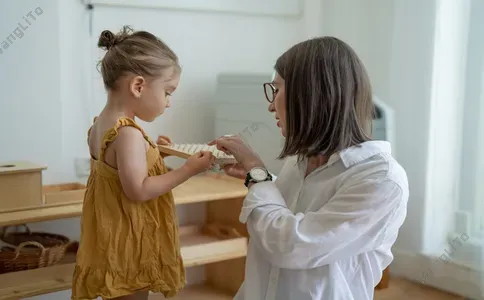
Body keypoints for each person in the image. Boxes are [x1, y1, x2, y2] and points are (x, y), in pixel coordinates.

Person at [210, 37, 409, 300]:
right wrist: (261, 178)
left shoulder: (382, 180)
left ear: (311, 96)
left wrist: (258, 173)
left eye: (277, 90)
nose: (271, 105)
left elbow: (290, 246)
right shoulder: (301, 159)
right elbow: (299, 209)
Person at [71, 26, 215, 300]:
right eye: (168, 92)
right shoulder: (128, 133)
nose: (169, 103)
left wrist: (155, 154)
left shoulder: (100, 126)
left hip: (110, 235)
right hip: (131, 240)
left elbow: (117, 171)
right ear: (138, 86)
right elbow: (138, 189)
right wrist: (189, 170)